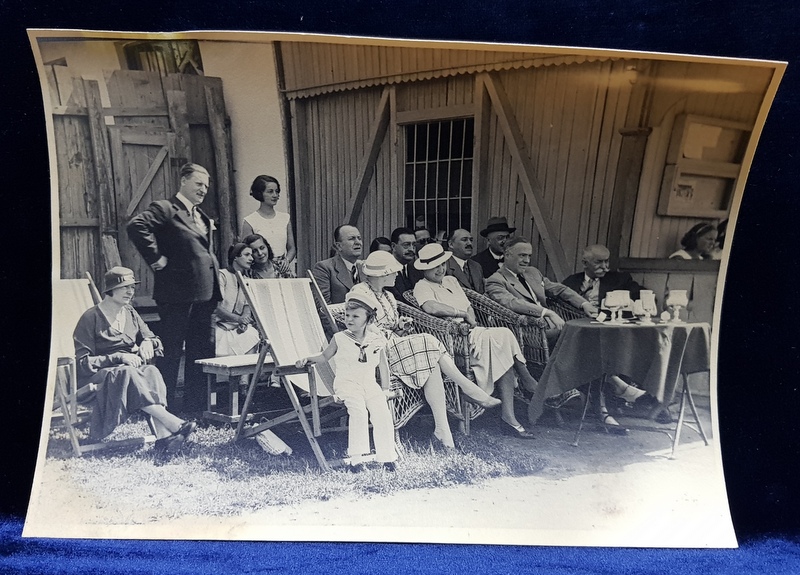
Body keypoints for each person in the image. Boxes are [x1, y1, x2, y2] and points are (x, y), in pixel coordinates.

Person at [350, 250, 501, 450]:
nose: (397, 274)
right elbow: (359, 328)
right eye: (394, 271)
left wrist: (399, 325)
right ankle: (469, 388)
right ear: (383, 274)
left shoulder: (387, 295)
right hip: (375, 352)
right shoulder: (359, 293)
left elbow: (390, 324)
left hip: (394, 345)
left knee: (432, 366)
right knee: (428, 340)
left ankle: (442, 431)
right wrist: (389, 331)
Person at [413, 244, 539, 439]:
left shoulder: (451, 280)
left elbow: (469, 305)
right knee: (504, 335)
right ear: (424, 269)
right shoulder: (422, 286)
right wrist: (461, 314)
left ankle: (509, 417)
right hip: (453, 338)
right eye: (434, 267)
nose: (440, 270)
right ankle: (526, 379)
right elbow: (431, 308)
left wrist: (469, 315)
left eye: (442, 264)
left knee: (503, 347)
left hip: (472, 331)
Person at [127, 163, 221, 415]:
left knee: (201, 351)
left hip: (206, 296)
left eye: (206, 186)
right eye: (198, 184)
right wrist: (156, 259)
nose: (203, 190)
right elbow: (136, 226)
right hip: (177, 294)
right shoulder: (166, 208)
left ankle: (195, 407)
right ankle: (163, 407)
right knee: (171, 351)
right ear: (183, 181)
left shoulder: (201, 216)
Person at [73, 267, 196, 454]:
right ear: (111, 290)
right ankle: (175, 423)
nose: (130, 292)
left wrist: (148, 342)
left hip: (128, 374)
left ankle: (163, 437)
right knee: (127, 371)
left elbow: (155, 340)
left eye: (132, 287)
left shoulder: (130, 313)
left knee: (151, 371)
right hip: (97, 378)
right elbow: (82, 363)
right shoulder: (91, 318)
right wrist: (119, 357)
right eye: (125, 287)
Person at [296, 291, 398, 473]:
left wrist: (385, 388)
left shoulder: (377, 340)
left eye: (355, 316)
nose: (349, 320)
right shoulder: (340, 338)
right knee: (358, 411)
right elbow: (324, 356)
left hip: (369, 384)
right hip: (347, 384)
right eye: (347, 315)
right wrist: (307, 359)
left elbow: (383, 367)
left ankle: (388, 458)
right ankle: (356, 460)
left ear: (369, 318)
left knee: (382, 413)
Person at [485, 237, 597, 345]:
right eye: (522, 256)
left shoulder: (532, 272)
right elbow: (512, 303)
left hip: (550, 325)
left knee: (587, 332)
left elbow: (559, 289)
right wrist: (546, 312)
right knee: (575, 334)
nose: (527, 261)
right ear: (507, 255)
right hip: (527, 330)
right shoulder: (495, 280)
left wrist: (584, 304)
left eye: (529, 256)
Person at [240, 175, 297, 277]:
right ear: (260, 193)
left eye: (277, 191)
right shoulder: (250, 221)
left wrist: (286, 261)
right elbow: (246, 251)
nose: (275, 195)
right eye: (270, 191)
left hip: (283, 270)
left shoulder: (285, 218)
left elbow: (291, 248)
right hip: (260, 271)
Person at [213, 243, 261, 357]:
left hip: (237, 328)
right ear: (235, 257)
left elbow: (246, 308)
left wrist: (244, 321)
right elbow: (216, 307)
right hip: (218, 327)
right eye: (247, 255)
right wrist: (238, 319)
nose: (251, 258)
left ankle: (245, 375)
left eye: (251, 255)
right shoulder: (222, 275)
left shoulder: (247, 281)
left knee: (252, 334)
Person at [561, 244, 642, 308]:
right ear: (585, 263)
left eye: (606, 261)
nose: (604, 266)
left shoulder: (620, 279)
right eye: (598, 262)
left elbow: (641, 296)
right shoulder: (571, 281)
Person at [312, 225, 363, 304]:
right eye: (351, 239)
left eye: (359, 238)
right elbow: (323, 308)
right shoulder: (324, 268)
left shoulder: (365, 269)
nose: (358, 242)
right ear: (339, 246)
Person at [387, 226, 423, 305]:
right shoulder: (385, 271)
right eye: (406, 245)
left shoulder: (417, 269)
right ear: (393, 246)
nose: (411, 249)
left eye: (413, 245)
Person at [446, 228, 485, 293]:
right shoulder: (444, 266)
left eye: (471, 240)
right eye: (464, 240)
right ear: (451, 244)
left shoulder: (476, 266)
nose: (469, 243)